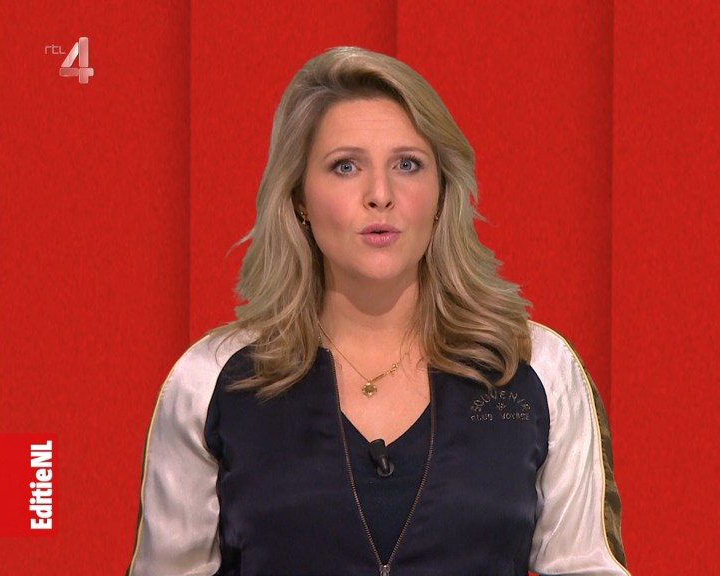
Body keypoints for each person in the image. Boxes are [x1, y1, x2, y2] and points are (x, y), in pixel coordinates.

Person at [127, 46, 628, 576]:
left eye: (407, 165)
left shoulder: (536, 368)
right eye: (345, 166)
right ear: (299, 198)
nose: (380, 195)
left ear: (442, 192)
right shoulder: (210, 382)